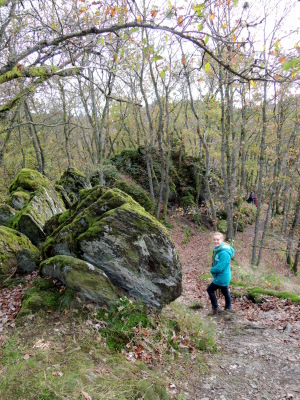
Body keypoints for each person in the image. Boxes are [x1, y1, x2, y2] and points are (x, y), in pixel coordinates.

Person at [207, 232, 235, 316]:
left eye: (218, 240)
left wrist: (212, 269)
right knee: (225, 291)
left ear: (222, 240)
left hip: (222, 277)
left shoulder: (224, 253)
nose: (216, 241)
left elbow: (219, 267)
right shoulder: (219, 249)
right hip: (224, 276)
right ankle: (228, 309)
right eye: (214, 240)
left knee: (210, 290)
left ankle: (216, 309)